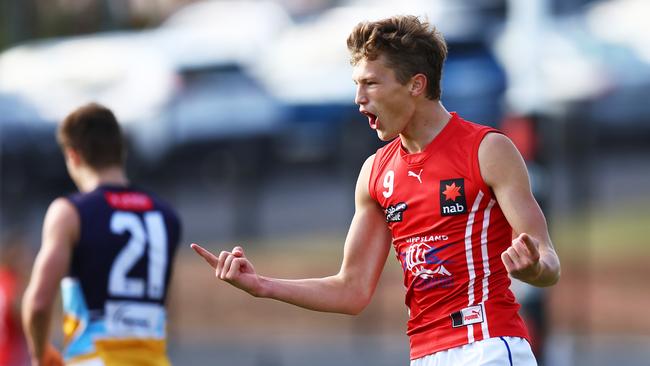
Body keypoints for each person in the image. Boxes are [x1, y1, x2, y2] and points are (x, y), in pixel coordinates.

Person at [192, 15, 560, 365]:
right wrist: (262, 285)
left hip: (487, 345)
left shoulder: (487, 150)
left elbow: (548, 262)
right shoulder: (375, 173)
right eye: (356, 84)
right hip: (424, 353)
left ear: (416, 84)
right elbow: (351, 290)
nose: (359, 98)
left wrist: (532, 270)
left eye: (370, 83)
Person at [22, 103, 182, 366]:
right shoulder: (166, 215)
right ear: (122, 151)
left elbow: (38, 304)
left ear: (73, 156)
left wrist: (40, 354)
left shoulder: (70, 212)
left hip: (93, 359)